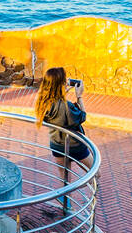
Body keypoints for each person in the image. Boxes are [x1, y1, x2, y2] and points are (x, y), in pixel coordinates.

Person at [35, 67, 93, 210]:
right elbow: (81, 116)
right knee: (95, 173)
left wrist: (63, 93)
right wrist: (79, 96)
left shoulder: (44, 102)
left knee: (65, 176)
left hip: (56, 144)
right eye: (64, 80)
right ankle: (73, 191)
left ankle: (67, 202)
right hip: (75, 146)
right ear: (59, 84)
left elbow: (57, 109)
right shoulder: (65, 106)